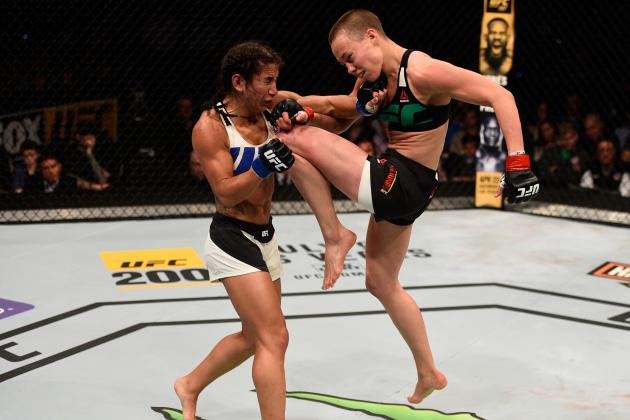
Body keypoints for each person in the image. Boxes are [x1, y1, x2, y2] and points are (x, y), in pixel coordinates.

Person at [273, 9, 539, 405]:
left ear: (371, 36)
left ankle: (335, 236)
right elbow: (343, 113)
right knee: (380, 282)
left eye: (349, 58)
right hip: (406, 185)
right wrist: (302, 107)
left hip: (402, 179)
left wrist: (517, 161)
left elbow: (499, 95)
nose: (350, 69)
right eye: (344, 64)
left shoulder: (422, 71)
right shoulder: (374, 78)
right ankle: (429, 372)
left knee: (289, 138)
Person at [173, 41, 355, 420]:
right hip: (231, 237)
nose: (274, 89)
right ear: (239, 82)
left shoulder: (273, 108)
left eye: (276, 80)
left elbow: (337, 122)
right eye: (267, 81)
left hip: (265, 237)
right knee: (275, 337)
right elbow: (225, 191)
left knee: (254, 337)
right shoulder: (210, 127)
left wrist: (348, 108)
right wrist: (262, 165)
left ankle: (189, 385)